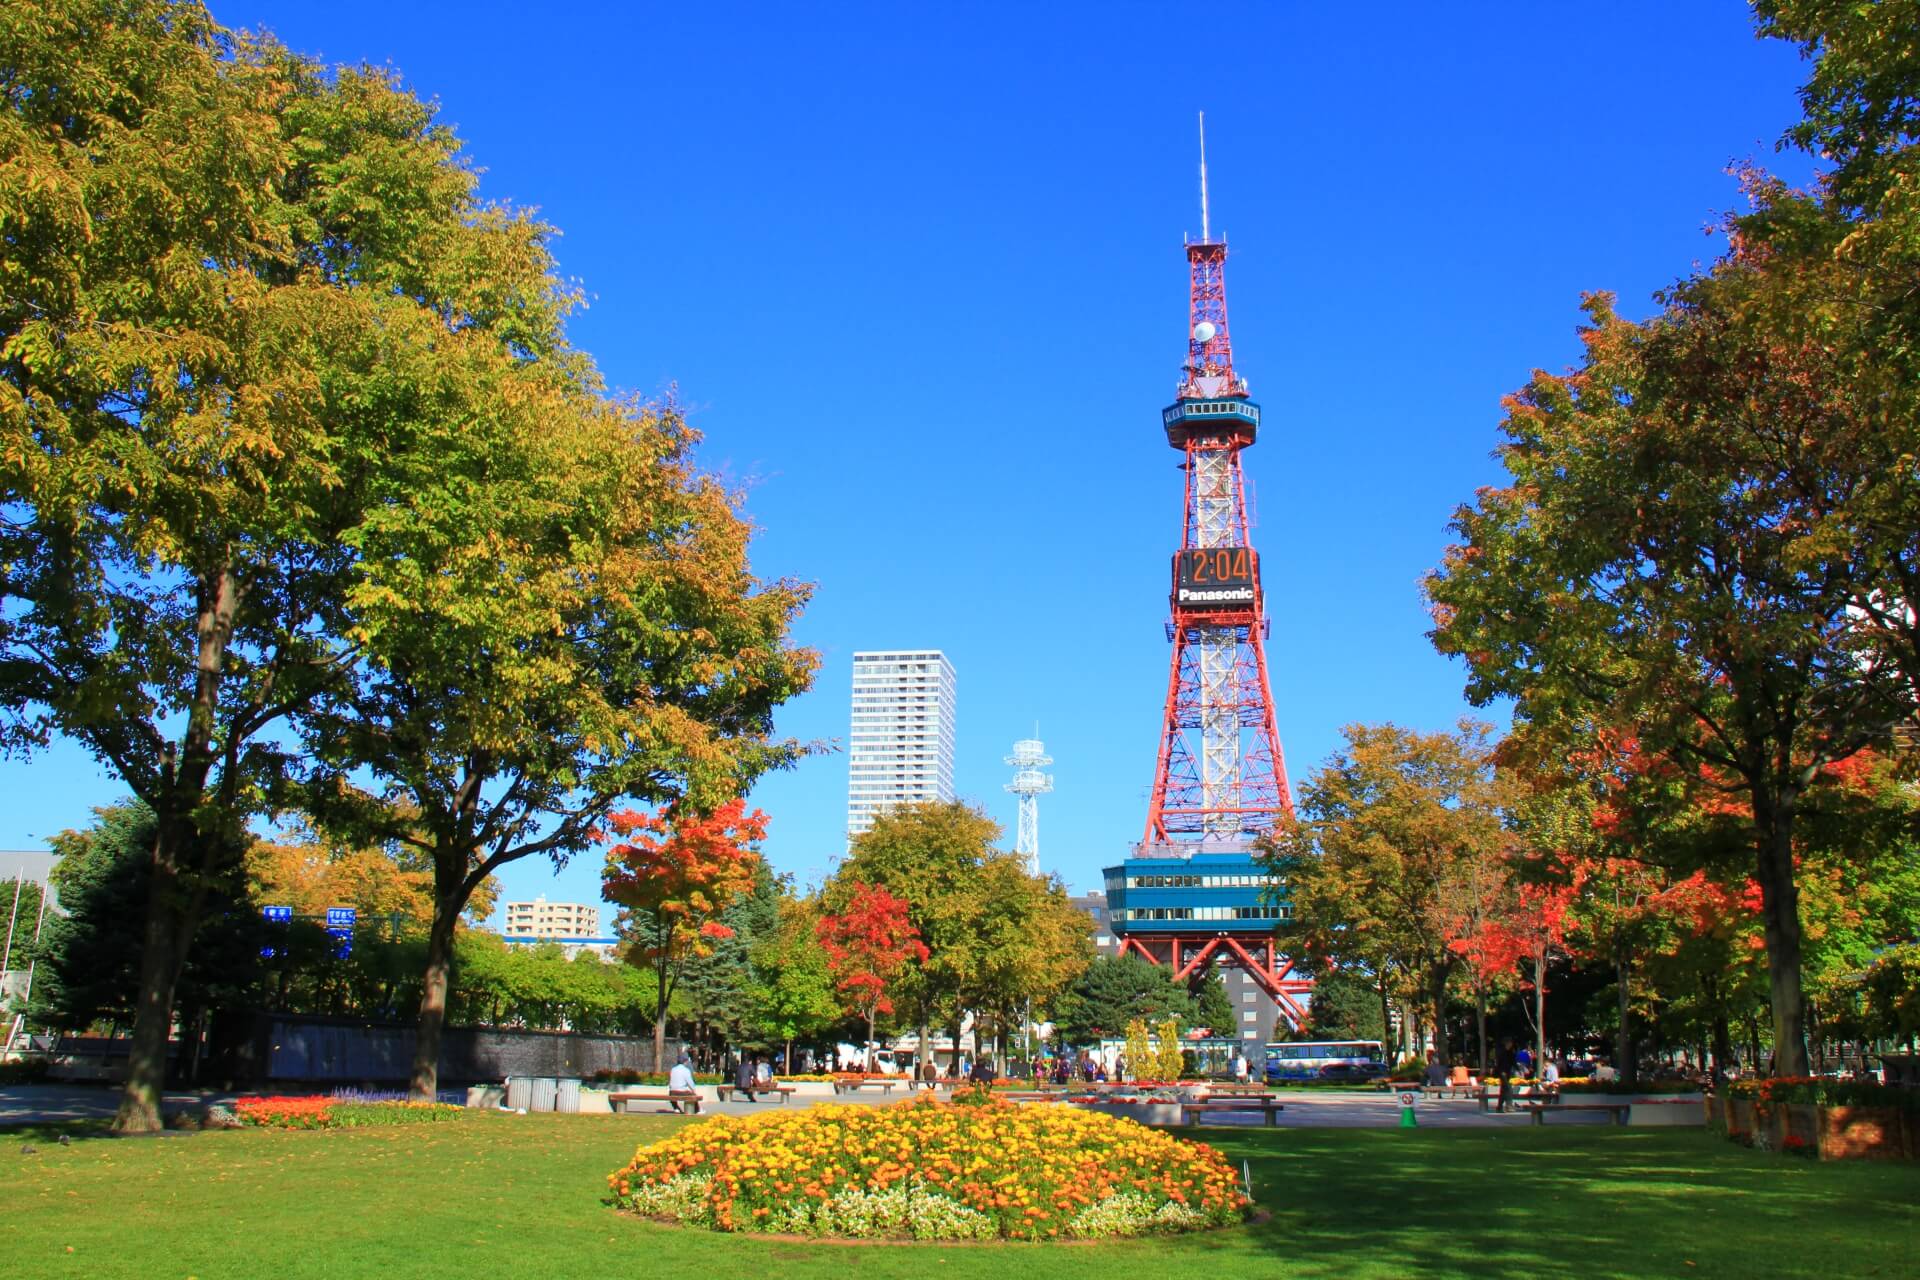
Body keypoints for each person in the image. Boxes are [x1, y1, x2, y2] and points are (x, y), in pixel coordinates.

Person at [1495, 1039, 1517, 1113]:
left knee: (1503, 1090)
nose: (1510, 1044)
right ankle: (1509, 1106)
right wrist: (1501, 1072)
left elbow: (1513, 1061)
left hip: (1508, 1072)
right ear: (1506, 1043)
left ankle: (1499, 1107)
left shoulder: (1511, 1052)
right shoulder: (1501, 1052)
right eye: (1509, 1043)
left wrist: (1518, 1069)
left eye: (1511, 1043)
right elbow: (1498, 1063)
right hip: (1502, 1073)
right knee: (1508, 1089)